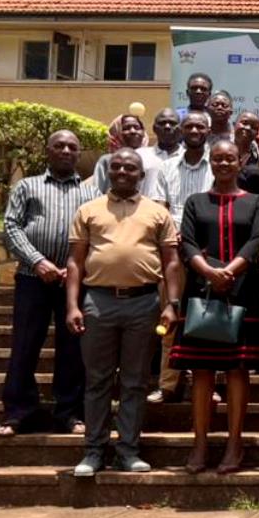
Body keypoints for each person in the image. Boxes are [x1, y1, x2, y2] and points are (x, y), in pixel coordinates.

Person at [65, 148, 182, 476]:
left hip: (143, 303)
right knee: (97, 380)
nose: (122, 172)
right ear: (108, 171)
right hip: (98, 303)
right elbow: (75, 261)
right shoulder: (89, 210)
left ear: (141, 174)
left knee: (135, 381)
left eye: (130, 168)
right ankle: (93, 451)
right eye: (116, 167)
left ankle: (128, 450)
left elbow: (172, 262)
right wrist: (73, 305)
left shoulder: (158, 213)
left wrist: (172, 304)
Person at [171, 140, 259, 474]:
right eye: (218, 158)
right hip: (203, 293)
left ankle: (234, 443)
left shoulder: (257, 202)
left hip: (242, 292)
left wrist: (230, 270)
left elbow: (257, 241)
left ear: (240, 162)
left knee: (236, 370)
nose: (224, 163)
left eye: (230, 158)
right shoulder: (196, 202)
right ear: (211, 162)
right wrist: (210, 272)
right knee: (201, 371)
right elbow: (187, 242)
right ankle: (199, 444)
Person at [0, 130, 96, 437]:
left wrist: (77, 268)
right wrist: (38, 261)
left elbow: (99, 234)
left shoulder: (91, 194)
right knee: (25, 346)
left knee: (73, 349)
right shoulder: (27, 186)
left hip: (74, 282)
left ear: (79, 154)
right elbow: (11, 226)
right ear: (48, 152)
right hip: (32, 279)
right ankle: (18, 413)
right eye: (59, 146)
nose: (66, 150)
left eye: (72, 147)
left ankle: (69, 413)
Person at [149, 111, 214, 405]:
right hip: (172, 251)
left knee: (208, 321)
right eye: (188, 126)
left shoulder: (218, 163)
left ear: (208, 130)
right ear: (180, 130)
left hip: (207, 252)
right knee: (170, 318)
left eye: (200, 126)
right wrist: (172, 235)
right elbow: (159, 209)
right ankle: (168, 384)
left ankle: (208, 382)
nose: (194, 130)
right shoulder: (166, 167)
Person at [92, 114, 167, 199]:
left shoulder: (155, 158)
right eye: (126, 128)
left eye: (137, 127)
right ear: (116, 132)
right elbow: (96, 191)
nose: (133, 131)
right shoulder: (107, 160)